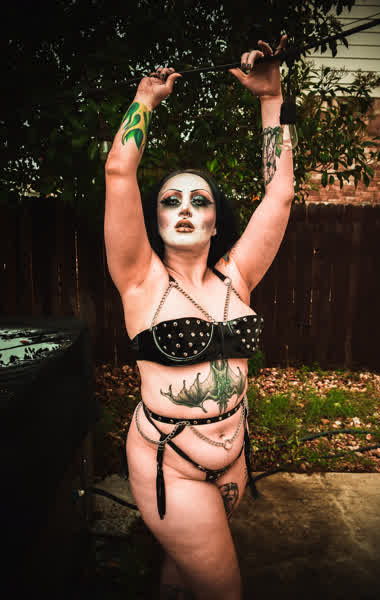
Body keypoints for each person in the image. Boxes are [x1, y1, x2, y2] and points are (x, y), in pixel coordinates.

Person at [104, 34, 294, 600]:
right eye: (171, 200)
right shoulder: (140, 280)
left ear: (215, 221)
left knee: (182, 573)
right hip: (171, 460)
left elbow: (280, 195)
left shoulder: (238, 276)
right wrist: (144, 101)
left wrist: (271, 99)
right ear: (156, 220)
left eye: (199, 200)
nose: (185, 209)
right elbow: (118, 173)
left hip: (233, 454)